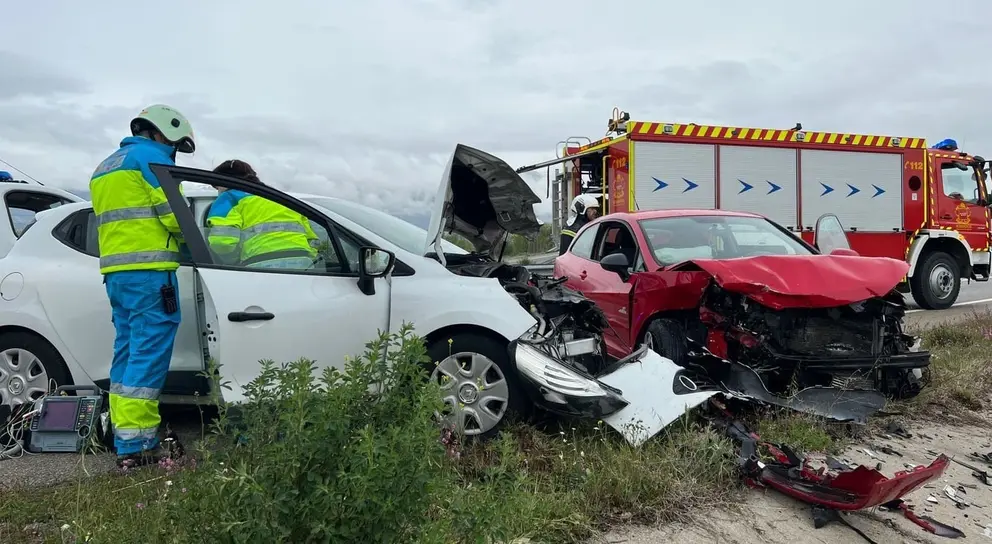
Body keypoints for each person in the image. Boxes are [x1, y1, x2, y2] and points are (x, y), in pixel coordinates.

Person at [89, 104, 195, 467]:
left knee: (128, 352)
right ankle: (138, 446)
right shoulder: (151, 160)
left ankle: (124, 435)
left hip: (117, 275)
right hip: (152, 275)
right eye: (176, 143)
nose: (174, 152)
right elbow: (174, 216)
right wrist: (197, 240)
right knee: (148, 356)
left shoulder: (105, 167)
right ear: (163, 132)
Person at [206, 159, 319, 269]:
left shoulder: (229, 198)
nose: (218, 190)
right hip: (303, 262)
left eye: (217, 186)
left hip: (261, 264)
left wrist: (233, 262)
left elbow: (222, 242)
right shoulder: (279, 198)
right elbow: (312, 240)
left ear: (225, 180)